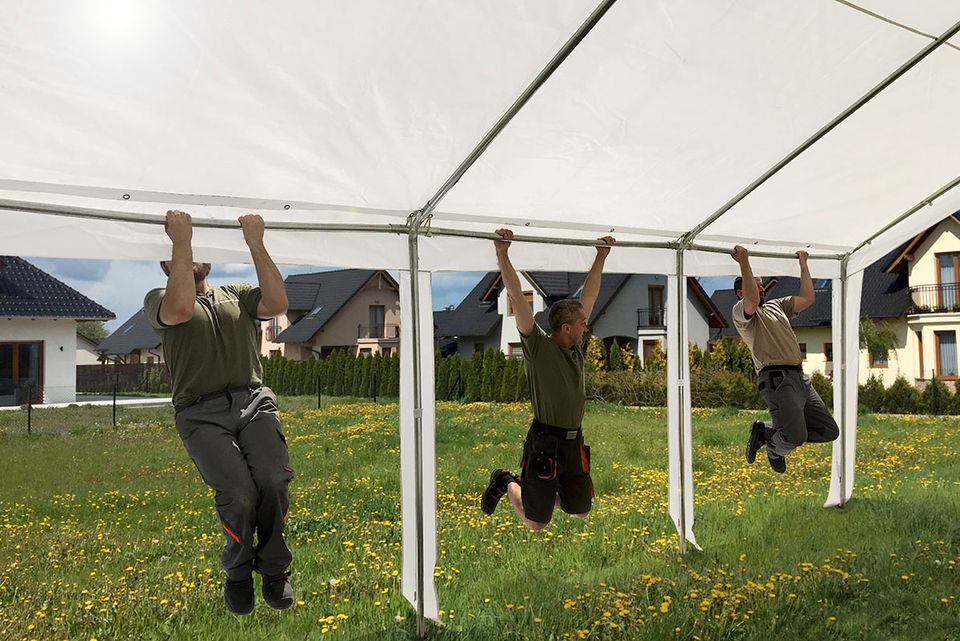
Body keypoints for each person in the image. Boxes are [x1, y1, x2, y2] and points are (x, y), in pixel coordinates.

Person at [144, 210, 293, 614]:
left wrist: (255, 242)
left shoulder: (236, 293)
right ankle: (238, 572)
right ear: (166, 262)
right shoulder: (157, 299)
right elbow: (179, 310)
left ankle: (276, 571)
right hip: (200, 413)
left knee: (273, 482)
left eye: (198, 248)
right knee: (240, 495)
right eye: (185, 250)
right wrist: (180, 242)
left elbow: (278, 302)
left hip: (253, 401)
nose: (194, 254)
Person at [480, 228, 615, 530]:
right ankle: (506, 481)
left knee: (580, 510)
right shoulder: (538, 346)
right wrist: (503, 254)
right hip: (545, 441)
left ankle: (537, 491)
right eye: (581, 323)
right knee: (535, 523)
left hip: (573, 439)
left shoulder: (577, 350)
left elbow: (589, 295)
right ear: (566, 327)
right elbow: (516, 295)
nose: (586, 327)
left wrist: (600, 257)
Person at [731, 244, 839, 473]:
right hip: (777, 378)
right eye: (756, 283)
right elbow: (751, 298)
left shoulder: (777, 305)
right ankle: (774, 447)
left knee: (829, 430)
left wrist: (803, 264)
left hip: (800, 378)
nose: (761, 286)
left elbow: (808, 297)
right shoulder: (742, 312)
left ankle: (768, 432)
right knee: (796, 435)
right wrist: (744, 262)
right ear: (741, 292)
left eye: (761, 284)